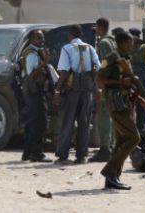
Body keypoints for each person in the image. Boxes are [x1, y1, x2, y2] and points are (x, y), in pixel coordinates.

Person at [96, 31, 145, 190]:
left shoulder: (125, 58)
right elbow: (99, 79)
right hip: (115, 103)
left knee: (121, 142)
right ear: (123, 43)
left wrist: (137, 96)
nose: (132, 46)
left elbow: (128, 82)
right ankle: (109, 170)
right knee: (134, 138)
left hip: (124, 103)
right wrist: (119, 81)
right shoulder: (111, 57)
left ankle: (113, 178)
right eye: (130, 43)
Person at [54, 25, 100, 165]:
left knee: (67, 122)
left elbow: (64, 72)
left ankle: (63, 155)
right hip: (87, 90)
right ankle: (81, 156)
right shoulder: (90, 48)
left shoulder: (67, 49)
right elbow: (97, 69)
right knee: (84, 122)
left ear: (70, 35)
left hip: (72, 90)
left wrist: (57, 90)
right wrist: (97, 89)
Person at [21, 29, 52, 163]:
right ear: (32, 39)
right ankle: (37, 153)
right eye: (39, 38)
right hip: (34, 91)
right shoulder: (31, 54)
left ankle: (28, 153)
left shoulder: (35, 52)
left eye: (42, 38)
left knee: (32, 122)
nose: (42, 40)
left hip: (35, 90)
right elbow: (31, 74)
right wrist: (45, 63)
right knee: (40, 122)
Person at [89, 18, 115, 163]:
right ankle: (110, 146)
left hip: (105, 86)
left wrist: (100, 86)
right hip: (111, 85)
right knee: (109, 118)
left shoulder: (104, 43)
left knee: (103, 119)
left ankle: (105, 150)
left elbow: (105, 64)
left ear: (100, 28)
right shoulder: (111, 41)